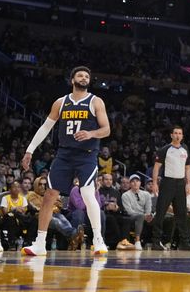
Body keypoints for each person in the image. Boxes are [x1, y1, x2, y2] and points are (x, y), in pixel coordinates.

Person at [20, 66, 110, 256]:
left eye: (87, 76)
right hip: (65, 154)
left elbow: (106, 129)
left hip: (86, 155)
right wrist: (30, 150)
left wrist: (90, 133)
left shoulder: (95, 101)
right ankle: (40, 243)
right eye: (80, 75)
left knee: (87, 193)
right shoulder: (61, 103)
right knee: (49, 196)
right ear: (72, 80)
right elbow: (45, 128)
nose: (84, 78)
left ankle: (98, 240)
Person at [151, 126, 190, 250]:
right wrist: (154, 183)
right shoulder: (165, 149)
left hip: (180, 184)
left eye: (180, 133)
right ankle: (156, 242)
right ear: (171, 135)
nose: (177, 135)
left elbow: (188, 168)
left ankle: (184, 242)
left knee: (182, 214)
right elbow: (156, 167)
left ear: (182, 136)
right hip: (167, 183)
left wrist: (188, 183)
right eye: (175, 133)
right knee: (161, 212)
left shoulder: (185, 149)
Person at [26, 176, 84, 251]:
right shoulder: (32, 195)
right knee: (57, 222)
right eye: (40, 184)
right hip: (41, 217)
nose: (42, 186)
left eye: (44, 184)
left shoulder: (50, 193)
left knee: (64, 220)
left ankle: (72, 239)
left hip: (55, 214)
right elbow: (39, 208)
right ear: (36, 185)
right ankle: (74, 234)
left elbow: (59, 204)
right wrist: (52, 207)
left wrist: (50, 207)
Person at [120, 175, 152, 251]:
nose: (135, 183)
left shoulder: (146, 194)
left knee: (158, 218)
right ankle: (137, 241)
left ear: (140, 183)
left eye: (137, 181)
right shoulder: (125, 195)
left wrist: (148, 215)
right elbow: (129, 211)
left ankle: (160, 242)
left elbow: (148, 208)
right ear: (130, 184)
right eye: (133, 181)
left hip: (144, 215)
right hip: (132, 217)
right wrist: (143, 216)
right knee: (140, 216)